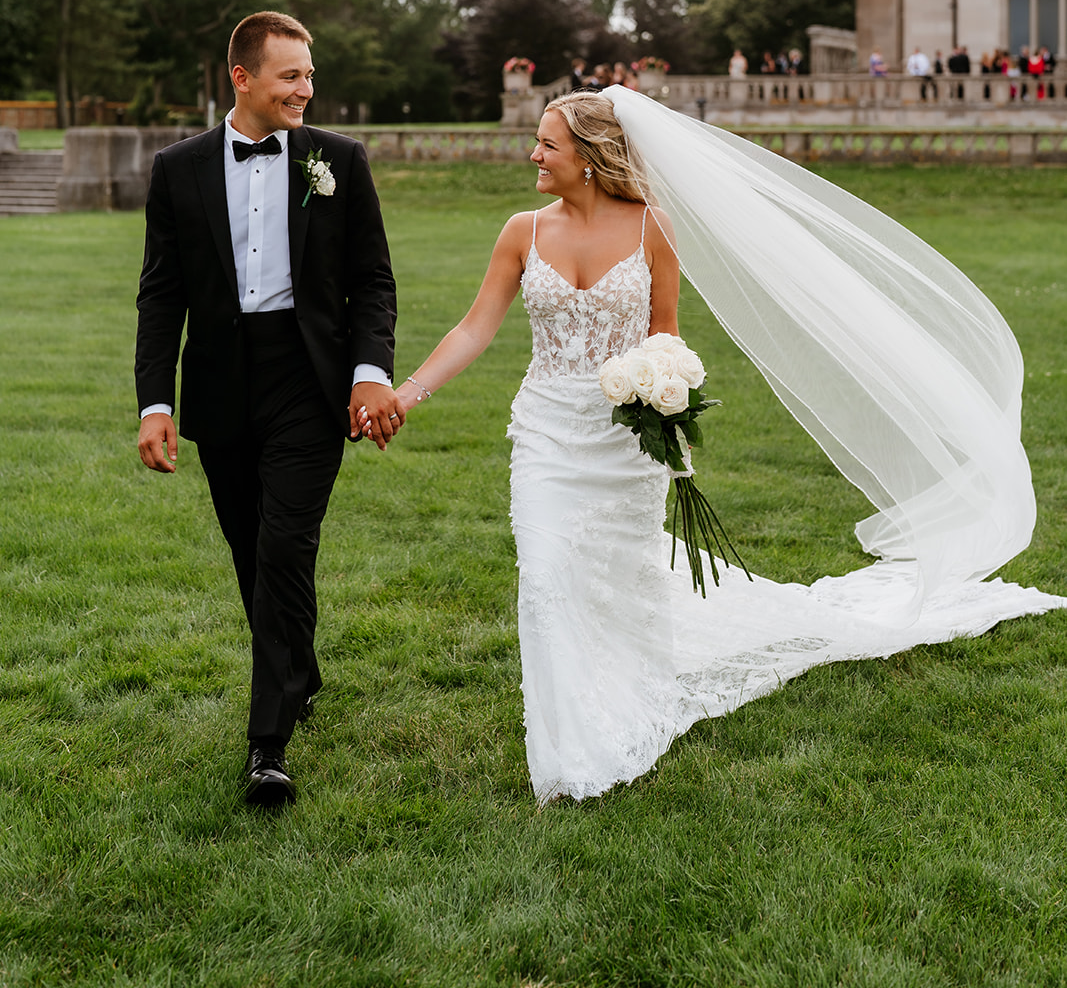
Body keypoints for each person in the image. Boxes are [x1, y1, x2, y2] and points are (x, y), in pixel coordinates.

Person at [381, 88, 1066, 805]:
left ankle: (629, 694)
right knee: (548, 571)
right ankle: (567, 751)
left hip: (624, 439)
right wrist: (407, 393)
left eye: (547, 144)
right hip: (547, 434)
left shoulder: (653, 228)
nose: (533, 154)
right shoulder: (521, 231)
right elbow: (473, 328)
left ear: (588, 159)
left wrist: (662, 385)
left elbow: (664, 329)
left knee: (624, 573)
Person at [136, 11, 403, 809]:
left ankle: (267, 747)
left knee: (286, 545)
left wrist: (367, 372)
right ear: (242, 78)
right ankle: (300, 670)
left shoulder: (339, 162)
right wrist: (156, 402)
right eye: (290, 76)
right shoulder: (176, 169)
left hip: (307, 380)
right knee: (253, 549)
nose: (306, 89)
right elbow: (160, 295)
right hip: (219, 385)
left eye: (309, 76)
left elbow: (374, 281)